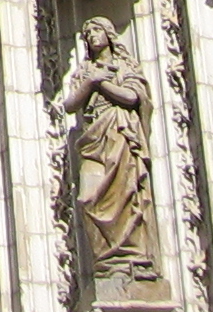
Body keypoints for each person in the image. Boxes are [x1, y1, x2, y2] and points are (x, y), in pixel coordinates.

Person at [59, 18, 161, 282]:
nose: (91, 35)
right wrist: (91, 81)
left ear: (109, 34)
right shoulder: (85, 71)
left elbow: (132, 97)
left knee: (127, 192)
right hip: (94, 137)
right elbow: (70, 105)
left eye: (96, 30)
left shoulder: (125, 66)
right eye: (87, 32)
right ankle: (106, 260)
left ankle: (133, 257)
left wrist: (101, 84)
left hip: (121, 133)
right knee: (88, 197)